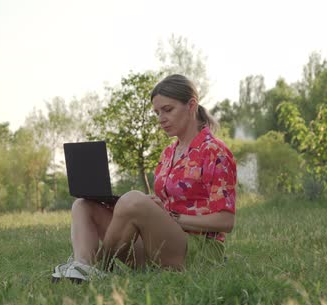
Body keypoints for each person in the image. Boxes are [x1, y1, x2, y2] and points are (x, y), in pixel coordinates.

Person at [52, 74, 237, 283]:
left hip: (197, 250)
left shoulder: (214, 151)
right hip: (160, 242)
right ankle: (83, 266)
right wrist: (148, 206)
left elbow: (226, 221)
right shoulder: (169, 153)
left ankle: (98, 269)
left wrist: (173, 217)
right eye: (157, 113)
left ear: (191, 105)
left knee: (132, 199)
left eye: (168, 110)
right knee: (83, 205)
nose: (161, 118)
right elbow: (167, 203)